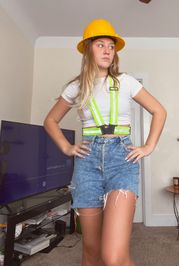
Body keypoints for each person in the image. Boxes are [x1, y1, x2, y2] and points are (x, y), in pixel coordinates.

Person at [44, 19, 167, 266]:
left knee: (113, 257)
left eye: (111, 45)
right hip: (87, 164)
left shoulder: (126, 81)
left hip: (121, 159)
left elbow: (159, 111)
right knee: (91, 250)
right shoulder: (76, 87)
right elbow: (50, 121)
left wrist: (148, 146)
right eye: (100, 44)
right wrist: (67, 147)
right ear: (88, 49)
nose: (108, 50)